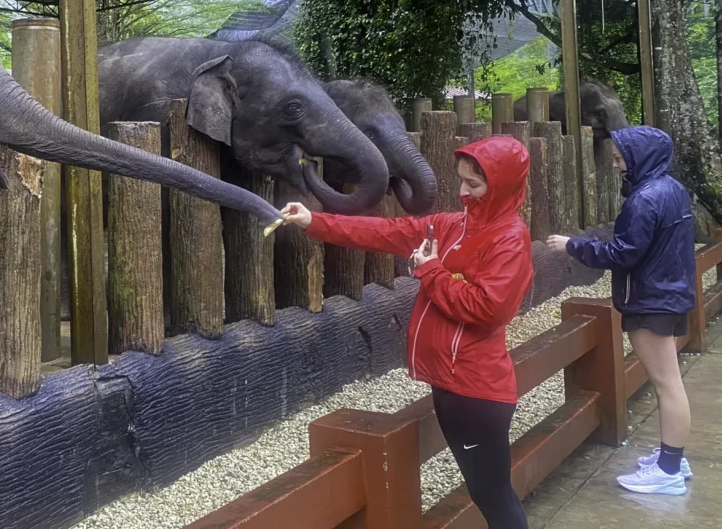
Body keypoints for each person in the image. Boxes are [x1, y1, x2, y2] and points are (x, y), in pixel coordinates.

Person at [282, 135, 531, 529]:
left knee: (491, 492)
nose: (463, 192)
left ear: (502, 186)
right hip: (450, 382)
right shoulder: (452, 225)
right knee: (484, 488)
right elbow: (386, 232)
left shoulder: (510, 239)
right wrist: (314, 221)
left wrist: (430, 271)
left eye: (475, 185)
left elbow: (487, 308)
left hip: (477, 392)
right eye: (462, 180)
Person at [546, 125, 695, 496]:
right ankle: (672, 456)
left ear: (639, 157)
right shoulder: (672, 190)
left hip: (652, 300)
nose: (615, 165)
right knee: (669, 381)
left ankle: (670, 470)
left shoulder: (645, 199)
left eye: (619, 158)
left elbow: (623, 253)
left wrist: (573, 245)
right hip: (669, 294)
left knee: (667, 384)